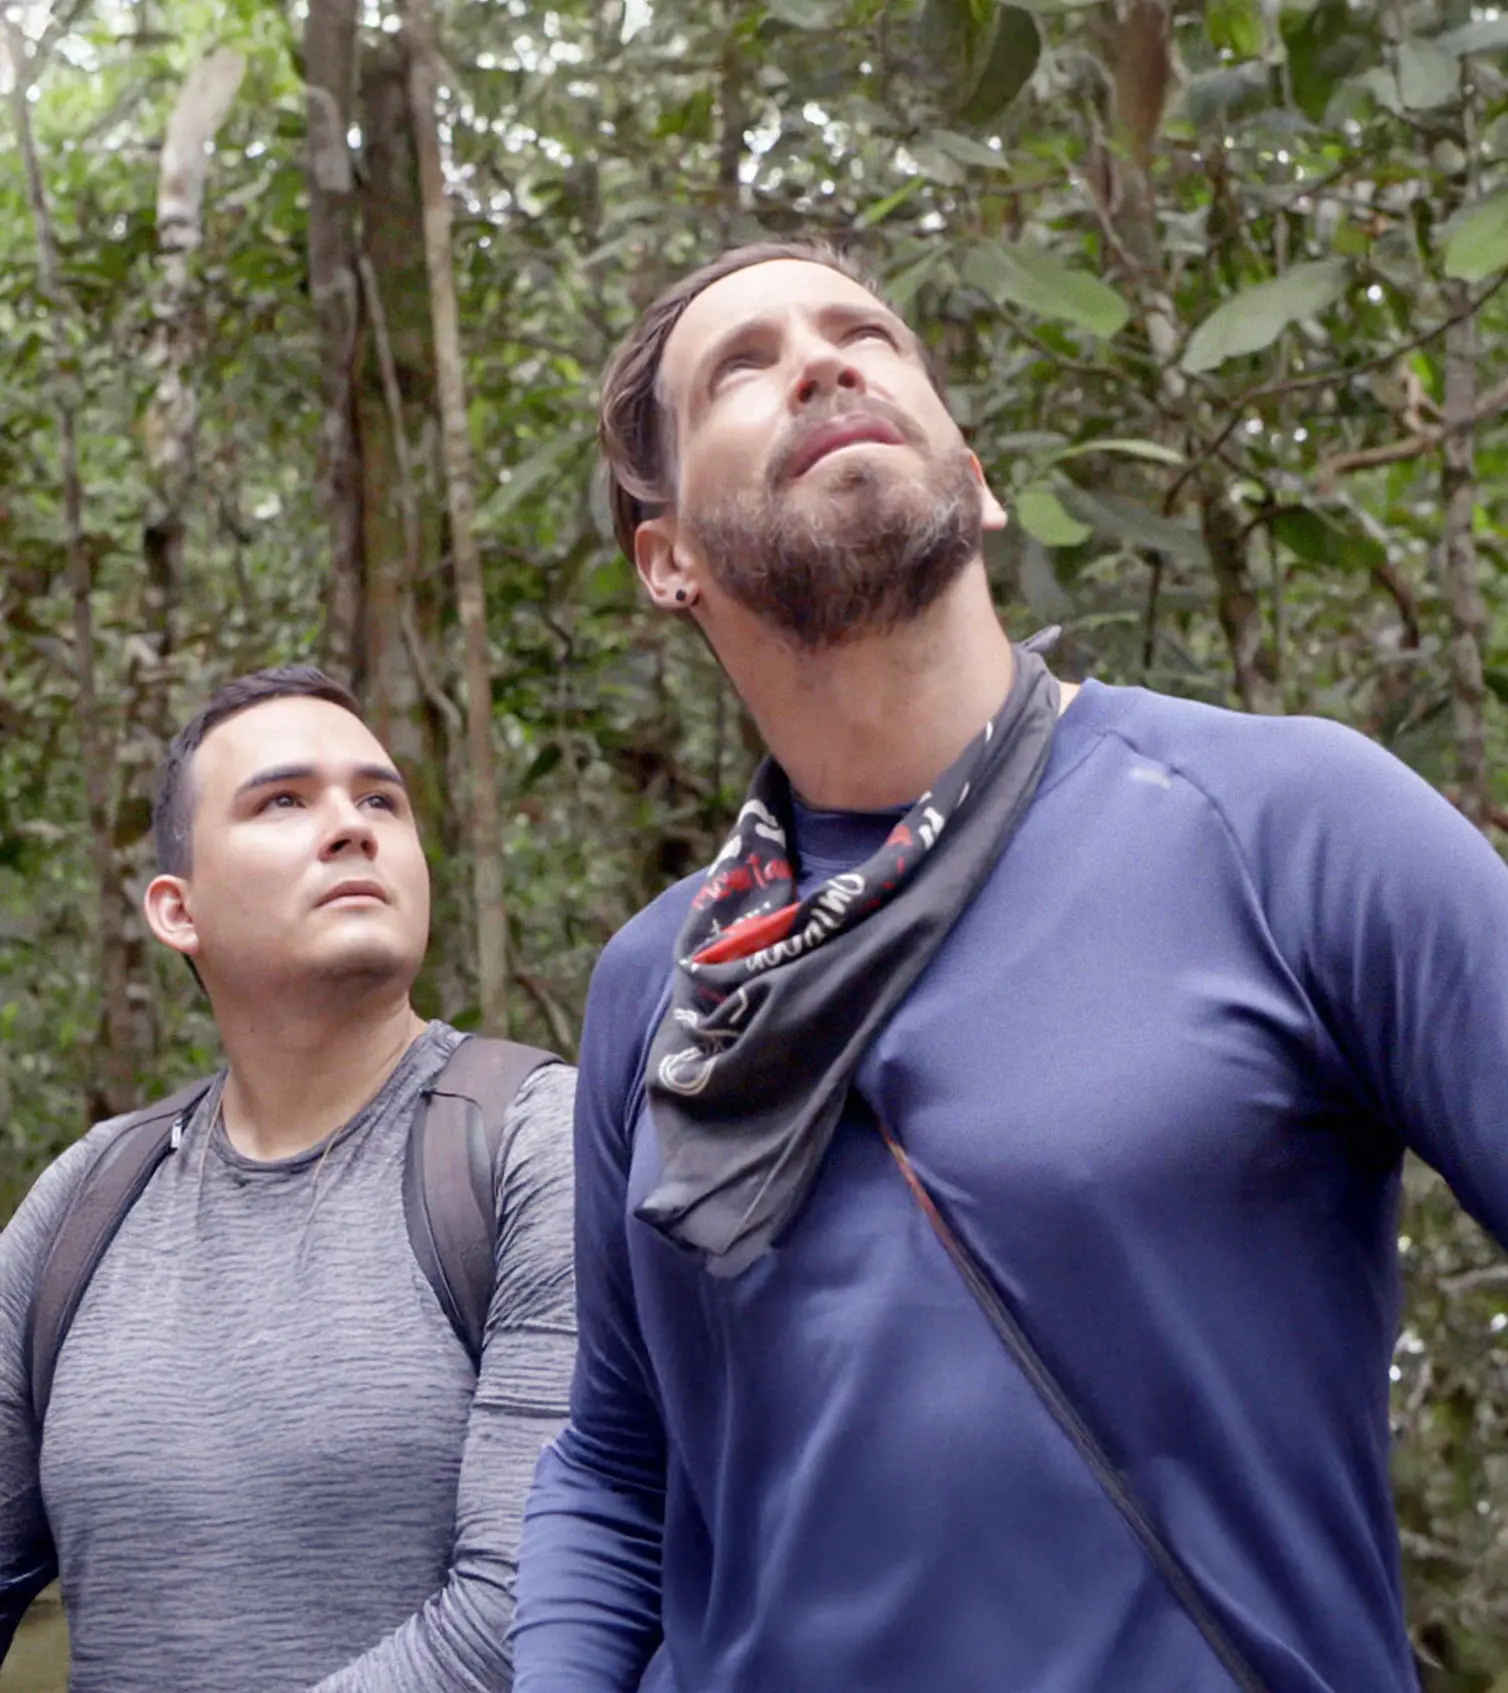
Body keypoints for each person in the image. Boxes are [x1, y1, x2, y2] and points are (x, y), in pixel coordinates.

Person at [510, 239, 1508, 1693]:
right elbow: (616, 1461)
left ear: (971, 482)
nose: (823, 361)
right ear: (670, 562)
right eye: (742, 367)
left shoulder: (1282, 819)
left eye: (866, 334)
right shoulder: (665, 983)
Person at [0, 665, 576, 1693]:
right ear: (177, 910)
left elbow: (523, 1614)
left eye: (381, 801)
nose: (352, 827)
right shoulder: (87, 1199)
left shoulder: (532, 1143)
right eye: (282, 801)